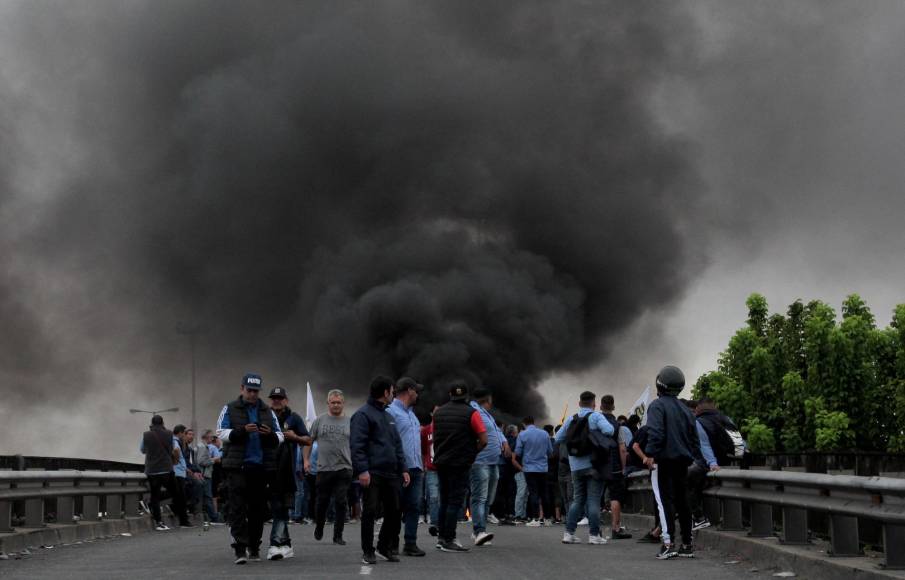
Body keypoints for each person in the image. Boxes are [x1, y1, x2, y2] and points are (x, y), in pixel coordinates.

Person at [216, 373, 285, 565]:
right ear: (242, 389)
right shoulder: (229, 408)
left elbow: (280, 436)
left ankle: (254, 546)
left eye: (256, 391)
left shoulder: (267, 411)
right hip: (237, 467)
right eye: (249, 390)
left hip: (260, 467)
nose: (253, 394)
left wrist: (269, 434)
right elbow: (220, 432)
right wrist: (242, 431)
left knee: (257, 509)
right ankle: (239, 548)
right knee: (237, 508)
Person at [644, 365, 703, 560]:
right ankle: (687, 544)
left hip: (665, 461)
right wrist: (692, 457)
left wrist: (650, 454)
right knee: (682, 501)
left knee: (665, 502)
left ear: (659, 383)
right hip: (683, 462)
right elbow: (695, 439)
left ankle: (668, 544)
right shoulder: (685, 409)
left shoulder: (656, 406)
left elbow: (656, 433)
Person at [350, 376, 410, 565]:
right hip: (372, 472)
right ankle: (368, 551)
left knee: (395, 511)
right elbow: (357, 445)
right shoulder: (362, 415)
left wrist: (404, 468)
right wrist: (362, 470)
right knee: (370, 511)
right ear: (385, 392)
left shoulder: (389, 416)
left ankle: (384, 546)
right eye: (392, 391)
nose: (393, 394)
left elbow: (397, 445)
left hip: (391, 473)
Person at [432, 383, 488, 552]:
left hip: (442, 462)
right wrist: (471, 454)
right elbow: (484, 440)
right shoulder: (472, 413)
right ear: (466, 396)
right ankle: (449, 539)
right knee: (455, 502)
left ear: (450, 395)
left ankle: (442, 538)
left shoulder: (438, 412)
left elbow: (434, 437)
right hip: (460, 463)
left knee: (445, 499)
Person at [554, 390, 614, 545]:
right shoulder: (596, 416)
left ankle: (569, 533)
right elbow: (610, 430)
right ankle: (594, 535)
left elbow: (558, 437)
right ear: (594, 404)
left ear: (579, 403)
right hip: (594, 464)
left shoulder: (571, 419)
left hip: (575, 467)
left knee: (578, 499)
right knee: (593, 500)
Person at [267, 387, 311, 560]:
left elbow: (308, 440)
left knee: (281, 507)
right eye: (274, 398)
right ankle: (285, 544)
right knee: (277, 508)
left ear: (286, 400)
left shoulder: (294, 418)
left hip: (287, 470)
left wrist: (295, 437)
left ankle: (275, 544)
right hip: (268, 469)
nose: (277, 401)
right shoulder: (265, 416)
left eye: (280, 398)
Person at [387, 377, 427, 557]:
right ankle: (391, 543)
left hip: (416, 468)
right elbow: (389, 442)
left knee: (414, 506)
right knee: (395, 507)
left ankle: (410, 543)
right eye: (416, 390)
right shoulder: (390, 412)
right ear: (409, 391)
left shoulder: (412, 414)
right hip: (398, 469)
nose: (417, 394)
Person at [307, 388, 352, 546]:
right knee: (322, 502)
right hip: (324, 468)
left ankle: (338, 535)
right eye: (333, 402)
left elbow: (356, 444)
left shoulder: (350, 422)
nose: (336, 405)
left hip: (344, 468)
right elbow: (309, 441)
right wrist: (306, 460)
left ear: (343, 403)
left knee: (341, 501)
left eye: (338, 402)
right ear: (328, 403)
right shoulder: (319, 420)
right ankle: (319, 526)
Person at [139, 415, 191, 530]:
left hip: (152, 470)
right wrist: (175, 461)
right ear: (163, 423)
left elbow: (142, 450)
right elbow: (175, 449)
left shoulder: (146, 435)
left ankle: (159, 523)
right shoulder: (169, 434)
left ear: (152, 424)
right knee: (176, 492)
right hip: (167, 469)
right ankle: (182, 518)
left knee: (155, 496)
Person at [469, 387, 506, 546]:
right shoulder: (473, 412)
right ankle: (479, 531)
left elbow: (496, 431)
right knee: (480, 497)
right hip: (480, 462)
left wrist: (504, 442)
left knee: (487, 498)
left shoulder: (486, 414)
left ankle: (479, 529)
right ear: (487, 399)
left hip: (492, 462)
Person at [600, 395, 632, 539]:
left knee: (594, 496)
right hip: (614, 466)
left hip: (597, 465)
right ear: (613, 407)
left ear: (600, 406)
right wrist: (623, 467)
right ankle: (615, 528)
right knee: (615, 497)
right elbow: (622, 449)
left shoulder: (595, 422)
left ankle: (595, 530)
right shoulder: (618, 426)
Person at [514, 416, 553, 526]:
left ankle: (535, 519)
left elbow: (518, 452)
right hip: (543, 468)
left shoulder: (522, 434)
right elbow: (550, 451)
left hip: (529, 468)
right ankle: (547, 519)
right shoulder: (545, 434)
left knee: (534, 493)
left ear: (524, 424)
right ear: (533, 422)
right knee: (544, 493)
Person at [420, 406, 440, 536]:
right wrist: (424, 465)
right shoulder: (426, 430)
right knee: (433, 497)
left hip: (444, 469)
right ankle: (434, 523)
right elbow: (423, 450)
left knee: (443, 497)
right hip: (432, 469)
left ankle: (442, 522)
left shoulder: (447, 429)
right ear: (431, 414)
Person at [196, 430, 220, 524]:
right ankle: (214, 518)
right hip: (205, 474)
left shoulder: (200, 446)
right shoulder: (202, 447)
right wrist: (213, 460)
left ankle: (213, 517)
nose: (212, 438)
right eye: (210, 437)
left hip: (204, 474)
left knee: (206, 497)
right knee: (208, 496)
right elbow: (201, 461)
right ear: (206, 437)